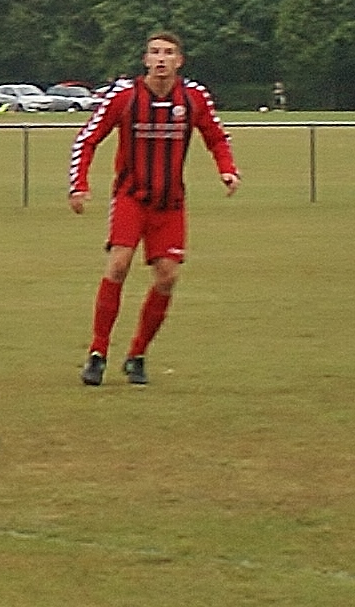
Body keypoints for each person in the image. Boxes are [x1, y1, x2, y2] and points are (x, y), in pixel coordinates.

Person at [68, 32, 239, 385]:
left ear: (180, 61)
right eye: (155, 52)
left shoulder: (193, 97)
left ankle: (137, 355)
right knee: (119, 264)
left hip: (170, 203)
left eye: (168, 53)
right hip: (131, 198)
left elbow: (216, 136)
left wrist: (227, 169)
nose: (161, 59)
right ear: (145, 60)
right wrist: (79, 184)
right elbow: (87, 139)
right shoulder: (125, 97)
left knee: (167, 277)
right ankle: (97, 353)